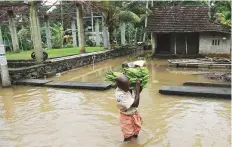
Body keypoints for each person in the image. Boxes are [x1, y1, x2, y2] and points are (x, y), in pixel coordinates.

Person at [115, 74, 143, 142]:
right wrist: (137, 88)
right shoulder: (120, 95)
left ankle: (135, 142)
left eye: (129, 84)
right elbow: (136, 104)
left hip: (133, 113)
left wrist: (139, 87)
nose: (129, 86)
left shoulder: (125, 88)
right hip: (126, 116)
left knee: (136, 132)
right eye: (127, 85)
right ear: (121, 86)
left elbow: (136, 93)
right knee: (127, 136)